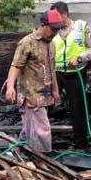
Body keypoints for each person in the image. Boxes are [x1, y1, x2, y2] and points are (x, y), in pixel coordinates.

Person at [5, 9, 62, 153]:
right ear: (43, 25)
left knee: (30, 127)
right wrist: (10, 86)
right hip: (31, 95)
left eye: (57, 29)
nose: (55, 33)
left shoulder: (51, 44)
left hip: (45, 94)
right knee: (42, 129)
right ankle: (42, 159)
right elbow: (15, 65)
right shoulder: (27, 42)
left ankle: (16, 151)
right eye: (53, 29)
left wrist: (55, 91)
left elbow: (51, 69)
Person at [50, 1, 91, 150]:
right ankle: (43, 142)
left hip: (76, 73)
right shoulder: (52, 30)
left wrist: (80, 59)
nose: (53, 20)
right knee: (45, 104)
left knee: (77, 109)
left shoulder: (81, 27)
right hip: (56, 73)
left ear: (64, 14)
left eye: (56, 16)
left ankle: (81, 144)